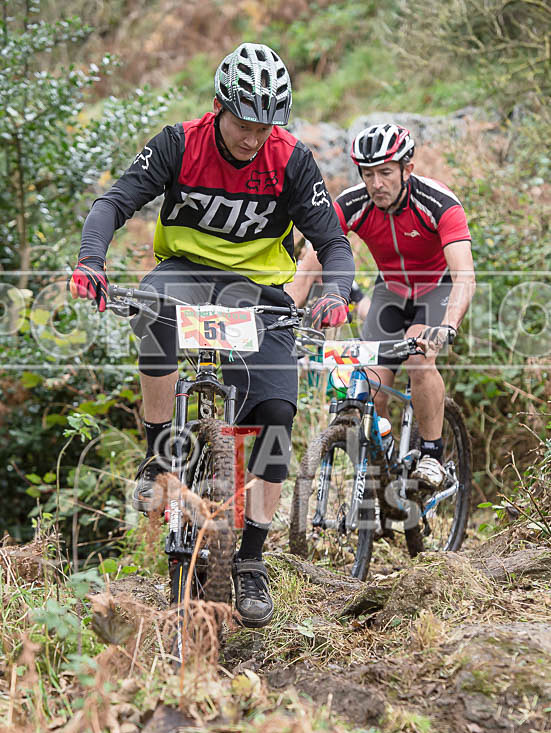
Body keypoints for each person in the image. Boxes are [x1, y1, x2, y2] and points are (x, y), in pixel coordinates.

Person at [69, 42, 354, 628]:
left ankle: (251, 561)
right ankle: (156, 454)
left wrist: (332, 293)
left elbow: (334, 244)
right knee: (153, 305)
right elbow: (114, 203)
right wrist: (91, 261)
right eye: (246, 122)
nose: (255, 136)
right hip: (187, 276)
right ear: (220, 106)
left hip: (260, 291)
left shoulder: (291, 159)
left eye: (268, 123)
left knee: (276, 413)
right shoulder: (178, 144)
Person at [297, 122, 476, 488]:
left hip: (435, 289)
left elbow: (464, 275)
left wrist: (448, 325)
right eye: (367, 174)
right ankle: (381, 477)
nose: (376, 183)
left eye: (385, 172)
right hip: (390, 291)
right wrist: (287, 311)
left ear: (406, 169)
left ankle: (431, 453)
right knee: (369, 383)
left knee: (418, 357)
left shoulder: (438, 203)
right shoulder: (353, 203)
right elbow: (310, 261)